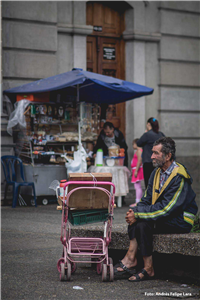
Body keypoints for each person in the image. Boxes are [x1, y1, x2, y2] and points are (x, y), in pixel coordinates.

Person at [114, 137, 198, 282]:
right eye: (152, 152)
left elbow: (167, 209)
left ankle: (135, 261)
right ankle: (142, 264)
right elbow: (146, 199)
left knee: (142, 221)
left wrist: (139, 214)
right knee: (138, 220)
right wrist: (135, 212)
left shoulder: (179, 176)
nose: (151, 156)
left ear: (168, 156)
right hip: (167, 215)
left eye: (156, 153)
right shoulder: (156, 173)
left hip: (181, 219)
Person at [137, 117, 165, 189]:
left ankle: (150, 199)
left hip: (148, 161)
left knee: (149, 183)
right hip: (159, 162)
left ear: (149, 124)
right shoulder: (161, 134)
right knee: (158, 182)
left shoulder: (147, 134)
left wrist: (146, 132)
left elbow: (138, 143)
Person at [130, 139, 144, 207]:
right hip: (135, 169)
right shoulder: (138, 151)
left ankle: (138, 201)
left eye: (133, 144)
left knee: (137, 186)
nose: (133, 146)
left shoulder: (139, 151)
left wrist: (136, 171)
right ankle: (138, 201)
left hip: (137, 170)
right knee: (137, 186)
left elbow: (139, 161)